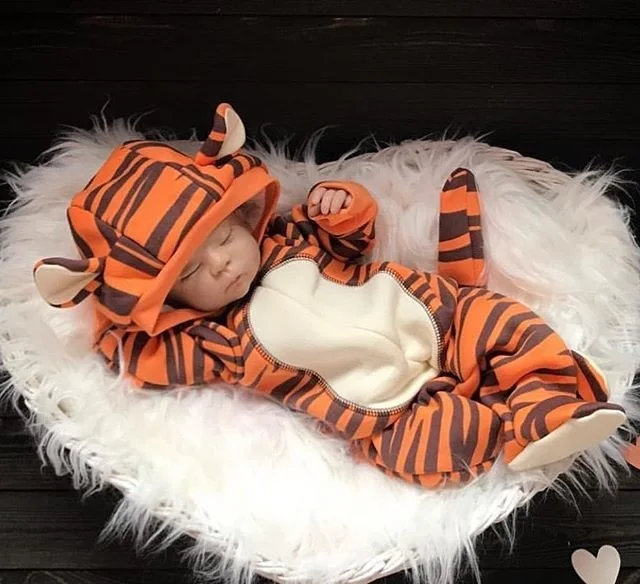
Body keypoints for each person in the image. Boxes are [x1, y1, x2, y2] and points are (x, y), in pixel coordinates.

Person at [33, 103, 626, 489]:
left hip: (434, 315)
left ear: (243, 218)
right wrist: (109, 302)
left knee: (503, 324)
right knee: (439, 445)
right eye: (191, 271)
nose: (221, 264)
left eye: (223, 238)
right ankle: (503, 425)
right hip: (383, 408)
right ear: (168, 294)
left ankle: (548, 410)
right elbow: (135, 352)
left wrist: (338, 207)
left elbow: (354, 238)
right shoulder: (212, 341)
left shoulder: (292, 239)